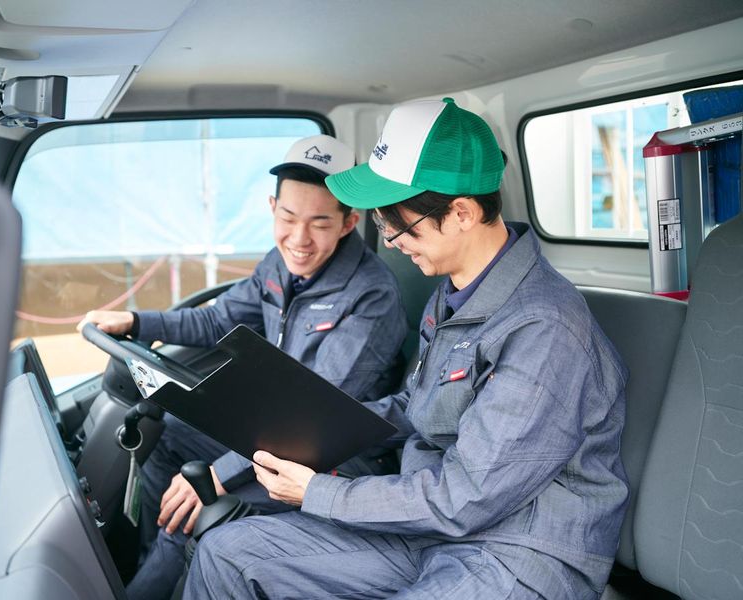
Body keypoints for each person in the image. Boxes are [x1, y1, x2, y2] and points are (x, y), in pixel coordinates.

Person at [184, 98, 629, 599]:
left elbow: (468, 496)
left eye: (399, 223)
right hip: (428, 532)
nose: (392, 241)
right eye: (382, 223)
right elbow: (418, 406)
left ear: (462, 213)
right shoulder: (454, 293)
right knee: (228, 552)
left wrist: (318, 492)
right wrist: (310, 430)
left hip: (517, 553)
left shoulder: (544, 329)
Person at [78, 134, 408, 600]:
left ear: (348, 222)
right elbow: (218, 320)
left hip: (331, 456)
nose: (299, 239)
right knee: (167, 435)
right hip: (270, 433)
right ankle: (152, 565)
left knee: (196, 504)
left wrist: (220, 472)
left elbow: (316, 416)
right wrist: (136, 321)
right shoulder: (279, 264)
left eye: (319, 223)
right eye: (288, 218)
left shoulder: (371, 295)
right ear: (272, 207)